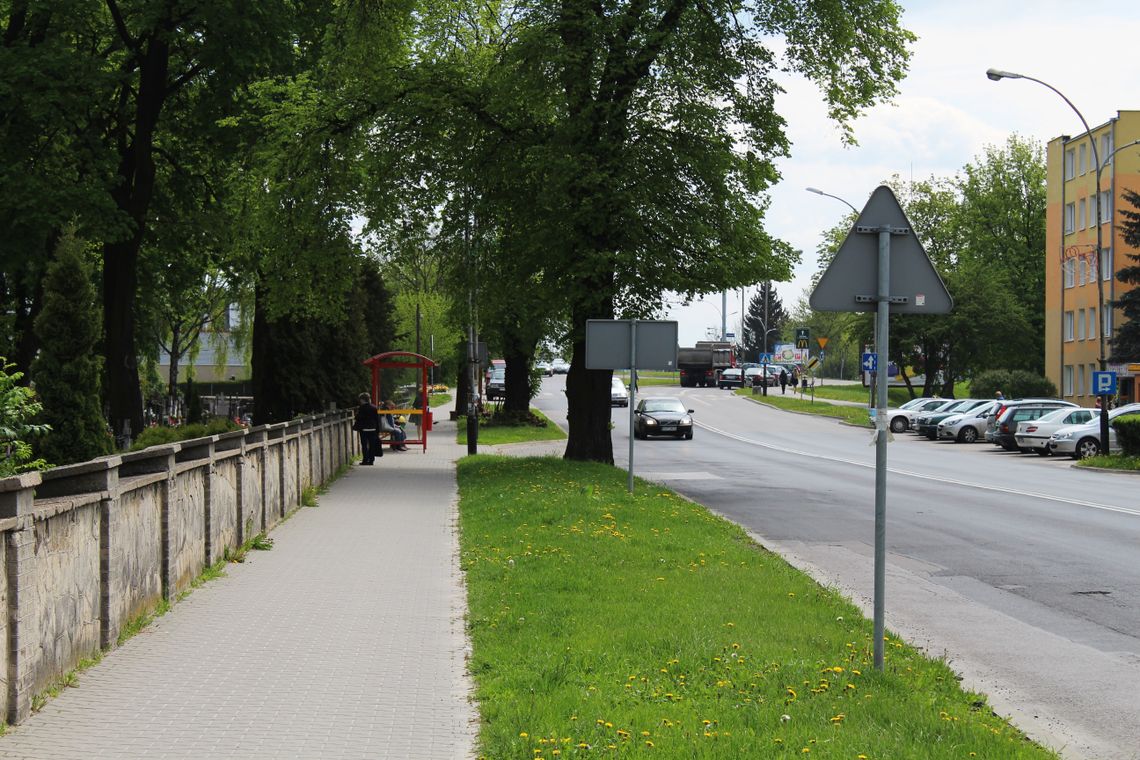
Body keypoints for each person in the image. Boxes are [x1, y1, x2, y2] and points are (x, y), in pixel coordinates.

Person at [353, 392, 381, 465]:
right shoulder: (374, 407)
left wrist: (356, 415)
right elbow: (377, 419)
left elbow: (358, 417)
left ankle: (365, 460)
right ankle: (371, 460)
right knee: (372, 445)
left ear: (362, 400)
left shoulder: (362, 408)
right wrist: (378, 430)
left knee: (364, 445)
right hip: (373, 428)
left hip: (364, 429)